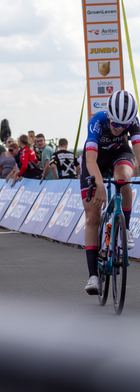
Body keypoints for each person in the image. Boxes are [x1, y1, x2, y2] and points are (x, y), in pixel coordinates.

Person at [80, 90, 140, 294]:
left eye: (123, 125)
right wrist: (98, 185)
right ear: (109, 116)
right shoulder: (97, 121)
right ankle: (93, 277)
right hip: (94, 161)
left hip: (119, 155)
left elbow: (138, 153)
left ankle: (126, 227)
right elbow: (89, 160)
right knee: (92, 218)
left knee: (124, 178)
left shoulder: (132, 122)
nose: (118, 128)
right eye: (115, 123)